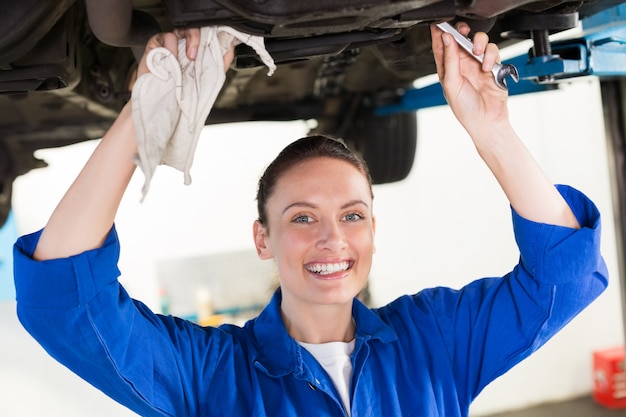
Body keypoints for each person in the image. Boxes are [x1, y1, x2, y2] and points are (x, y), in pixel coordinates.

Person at [13, 23, 607, 417]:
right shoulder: (209, 375)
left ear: (373, 229)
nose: (333, 238)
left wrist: (492, 128)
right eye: (302, 217)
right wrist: (140, 123)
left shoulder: (436, 342)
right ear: (262, 238)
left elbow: (567, 278)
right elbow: (62, 302)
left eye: (353, 214)